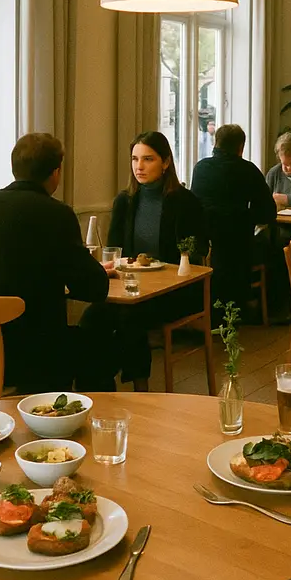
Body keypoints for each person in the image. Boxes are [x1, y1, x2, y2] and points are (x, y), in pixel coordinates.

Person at [0, 133, 112, 393]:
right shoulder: (55, 214)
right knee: (99, 343)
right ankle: (84, 420)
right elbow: (96, 289)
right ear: (56, 172)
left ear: (14, 168)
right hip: (22, 359)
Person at [79, 131, 208, 391]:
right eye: (135, 159)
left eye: (148, 159)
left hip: (175, 291)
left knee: (130, 318)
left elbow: (199, 249)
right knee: (92, 317)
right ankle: (98, 385)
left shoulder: (184, 201)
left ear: (166, 162)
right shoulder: (125, 201)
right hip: (131, 287)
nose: (139, 166)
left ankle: (141, 388)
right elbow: (117, 252)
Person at [189, 124, 275, 314]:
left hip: (204, 244)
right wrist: (244, 216)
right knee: (271, 245)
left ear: (215, 143)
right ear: (240, 148)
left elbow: (195, 205)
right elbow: (268, 213)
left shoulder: (200, 168)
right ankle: (263, 305)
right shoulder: (249, 170)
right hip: (238, 245)